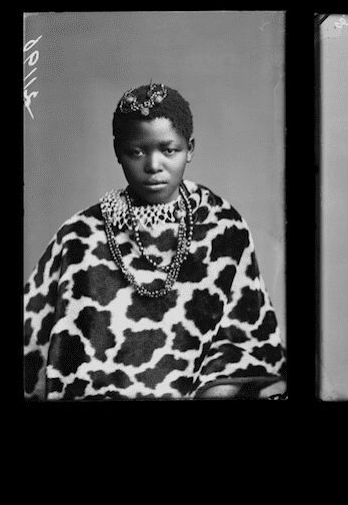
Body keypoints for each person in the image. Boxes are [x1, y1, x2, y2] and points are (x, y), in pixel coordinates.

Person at [23, 82, 287, 400]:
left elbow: (245, 337)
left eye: (168, 150)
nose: (153, 166)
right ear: (118, 151)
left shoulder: (223, 227)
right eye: (136, 152)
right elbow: (33, 338)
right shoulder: (81, 235)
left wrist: (219, 391)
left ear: (190, 148)